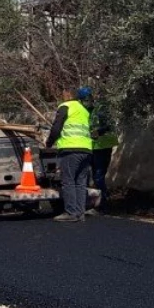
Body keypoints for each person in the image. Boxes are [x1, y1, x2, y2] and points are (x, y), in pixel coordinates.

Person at [46, 86, 93, 223]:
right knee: (80, 182)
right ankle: (80, 213)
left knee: (68, 181)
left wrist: (49, 142)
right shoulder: (84, 110)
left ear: (67, 94)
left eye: (63, 93)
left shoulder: (65, 106)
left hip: (71, 149)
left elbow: (57, 127)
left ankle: (70, 212)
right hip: (86, 149)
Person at [91, 102, 119, 213]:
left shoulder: (97, 111)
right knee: (99, 175)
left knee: (98, 175)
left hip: (100, 146)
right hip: (104, 146)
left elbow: (106, 126)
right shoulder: (102, 108)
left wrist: (98, 132)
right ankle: (102, 201)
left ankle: (102, 204)